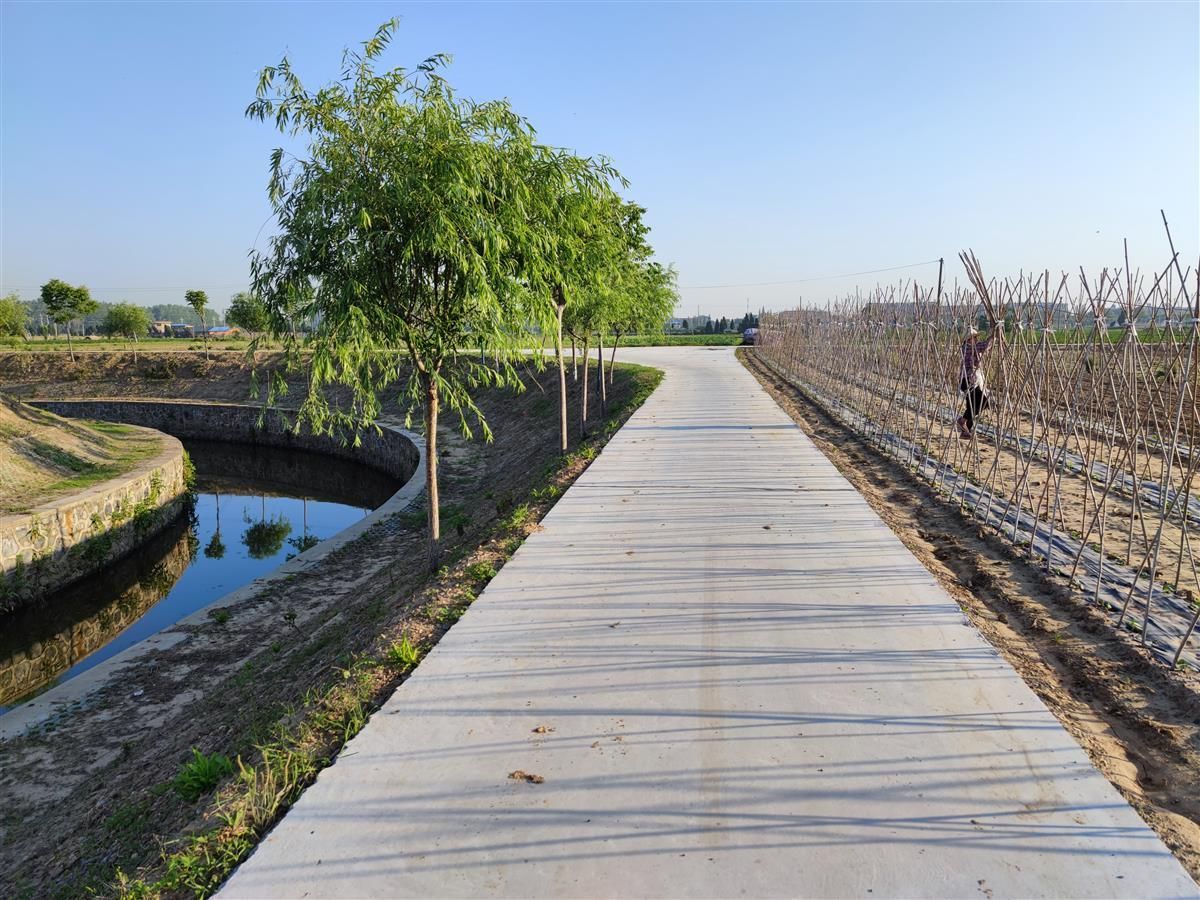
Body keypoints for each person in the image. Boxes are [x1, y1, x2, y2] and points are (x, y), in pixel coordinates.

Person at [957, 325, 997, 439]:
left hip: (968, 381)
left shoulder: (968, 347)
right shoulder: (968, 348)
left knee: (972, 404)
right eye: (974, 337)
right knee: (983, 402)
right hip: (968, 380)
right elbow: (984, 346)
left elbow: (984, 348)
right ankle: (962, 420)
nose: (977, 339)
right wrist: (994, 336)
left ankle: (966, 431)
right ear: (969, 339)